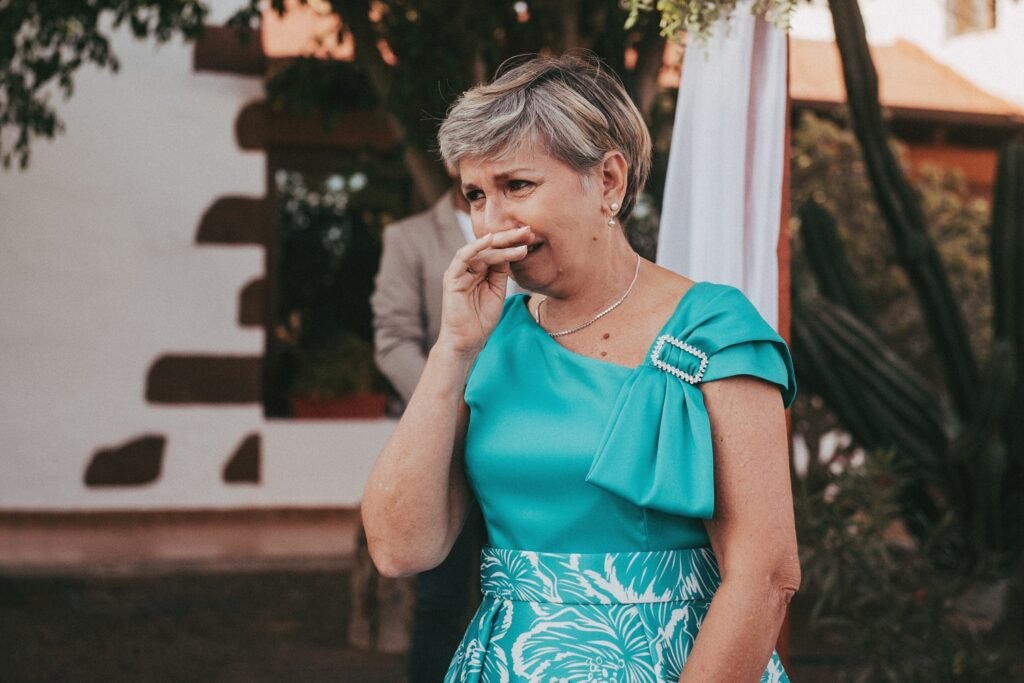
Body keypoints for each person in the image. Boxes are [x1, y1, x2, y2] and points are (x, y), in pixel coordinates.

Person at [362, 54, 800, 682]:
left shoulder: (713, 331)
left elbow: (767, 576)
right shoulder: (489, 343)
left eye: (517, 186)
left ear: (610, 182)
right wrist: (452, 349)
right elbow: (401, 550)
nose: (492, 223)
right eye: (476, 195)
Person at [371, 186, 488, 682]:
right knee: (439, 599)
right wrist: (448, 402)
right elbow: (393, 338)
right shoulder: (408, 236)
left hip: (525, 445)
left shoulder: (533, 233)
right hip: (445, 447)